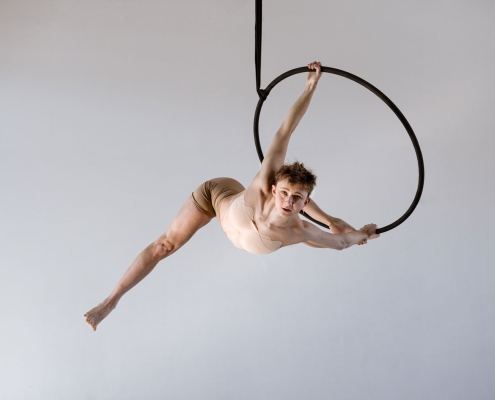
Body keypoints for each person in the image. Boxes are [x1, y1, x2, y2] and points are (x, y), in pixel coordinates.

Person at [84, 62, 379, 331]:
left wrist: (363, 233)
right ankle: (110, 302)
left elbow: (342, 243)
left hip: (281, 228)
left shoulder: (300, 230)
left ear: (305, 202)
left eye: (297, 199)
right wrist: (310, 87)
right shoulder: (265, 184)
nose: (288, 201)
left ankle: (330, 220)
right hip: (217, 197)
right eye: (284, 193)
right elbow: (285, 130)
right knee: (164, 246)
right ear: (274, 189)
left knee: (318, 235)